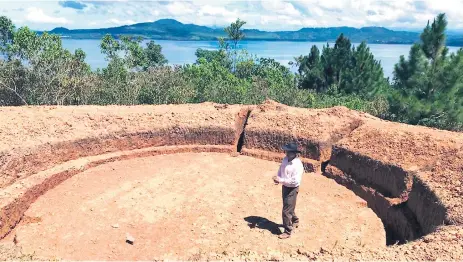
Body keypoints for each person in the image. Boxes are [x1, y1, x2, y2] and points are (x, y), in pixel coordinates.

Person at [272, 142, 304, 239]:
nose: (287, 153)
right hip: (285, 186)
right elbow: (281, 168)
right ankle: (295, 221)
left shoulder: (298, 165)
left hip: (292, 189)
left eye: (289, 152)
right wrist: (278, 177)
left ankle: (288, 231)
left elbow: (295, 181)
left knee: (286, 210)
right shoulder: (285, 159)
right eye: (287, 151)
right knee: (289, 206)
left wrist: (281, 180)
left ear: (295, 153)